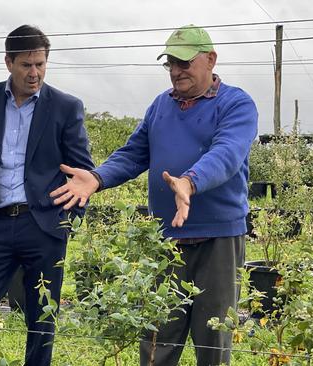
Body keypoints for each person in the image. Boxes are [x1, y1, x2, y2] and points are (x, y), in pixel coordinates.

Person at [51, 25, 258, 366]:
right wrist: (97, 178)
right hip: (164, 242)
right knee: (157, 337)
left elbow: (227, 153)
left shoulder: (236, 104)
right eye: (170, 63)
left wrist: (189, 182)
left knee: (214, 341)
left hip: (219, 239)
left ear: (210, 60)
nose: (176, 71)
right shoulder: (161, 106)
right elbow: (134, 153)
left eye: (184, 63)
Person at [0, 25, 94, 366]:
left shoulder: (66, 107)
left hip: (44, 228)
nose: (34, 73)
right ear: (8, 62)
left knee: (42, 321)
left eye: (40, 64)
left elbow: (82, 171)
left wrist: (65, 220)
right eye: (26, 65)